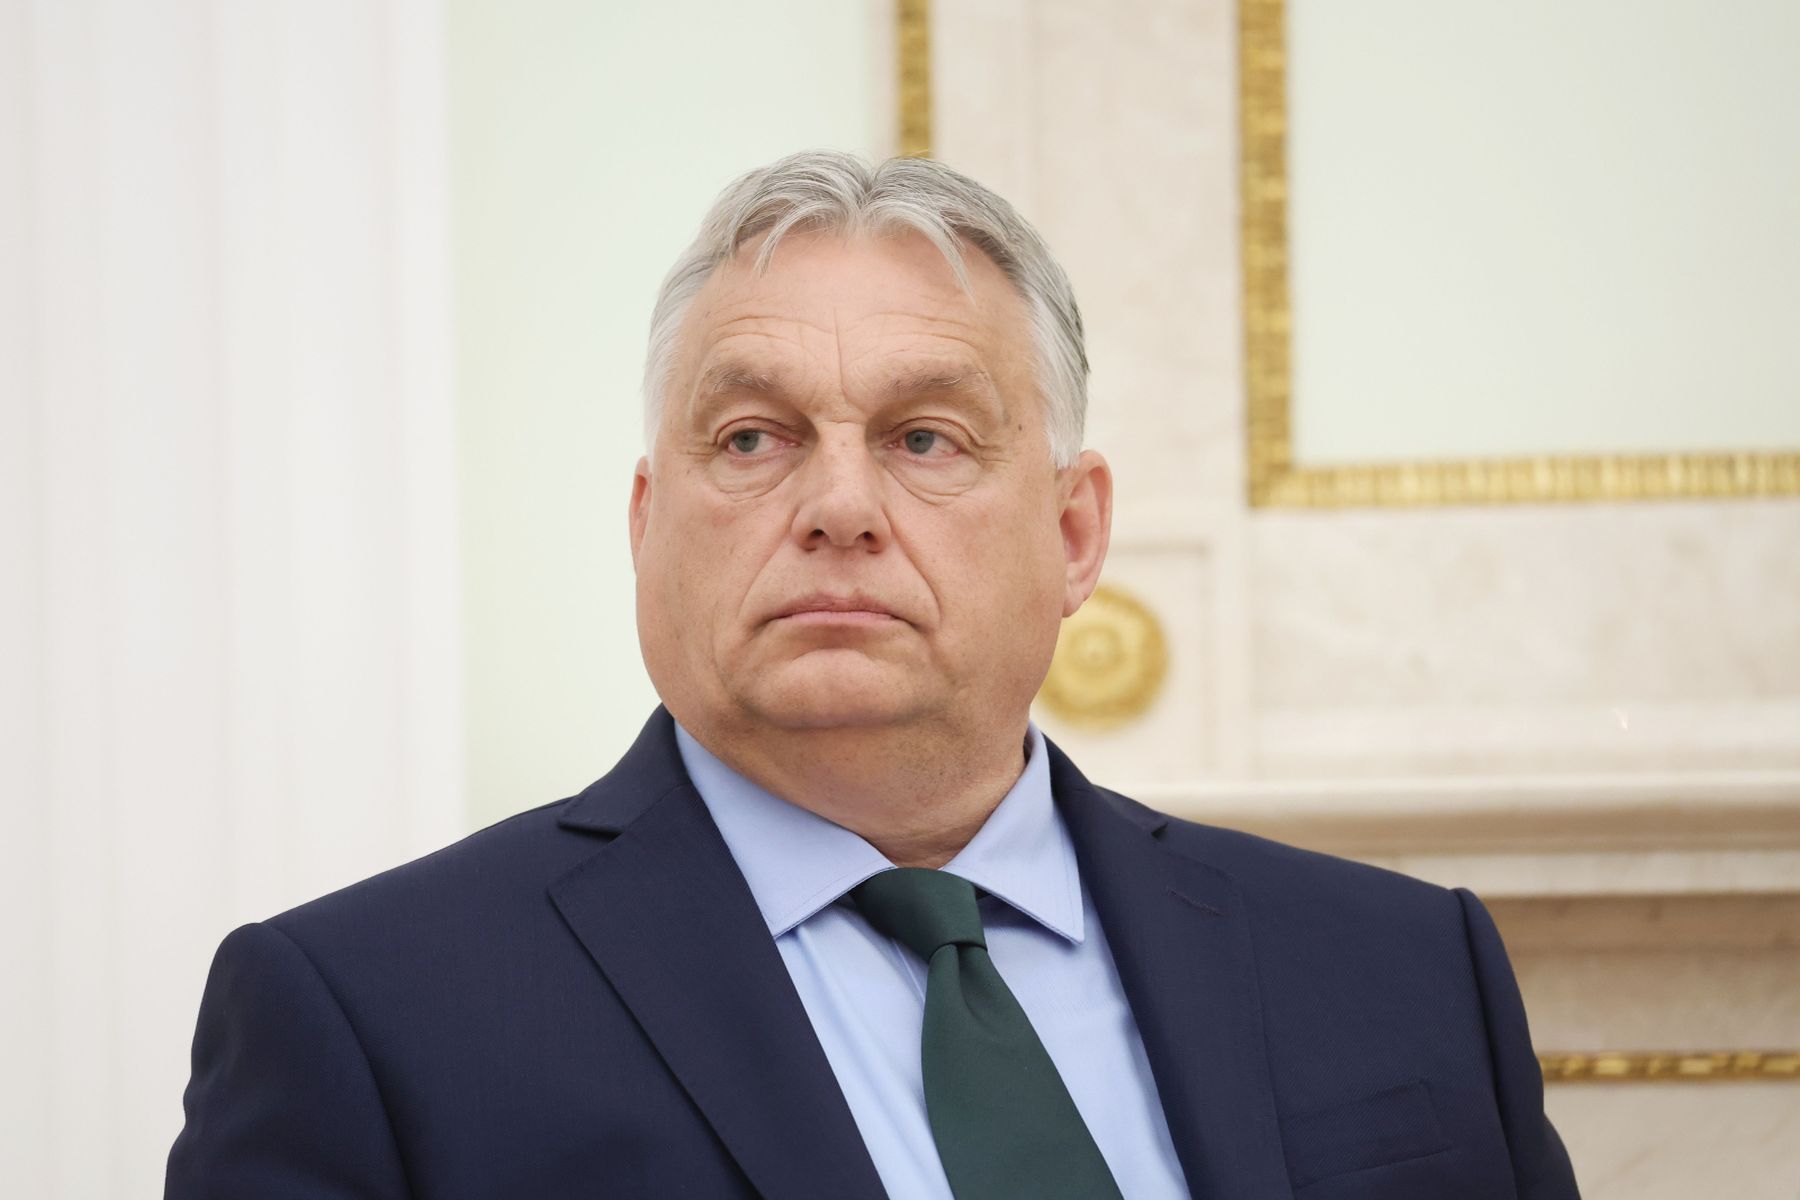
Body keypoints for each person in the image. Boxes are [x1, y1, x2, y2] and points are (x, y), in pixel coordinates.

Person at [166, 151, 1579, 1200]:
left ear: (1075, 533)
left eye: (924, 439)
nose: (838, 504)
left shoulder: (1407, 972)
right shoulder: (367, 1019)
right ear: (648, 524)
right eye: (753, 439)